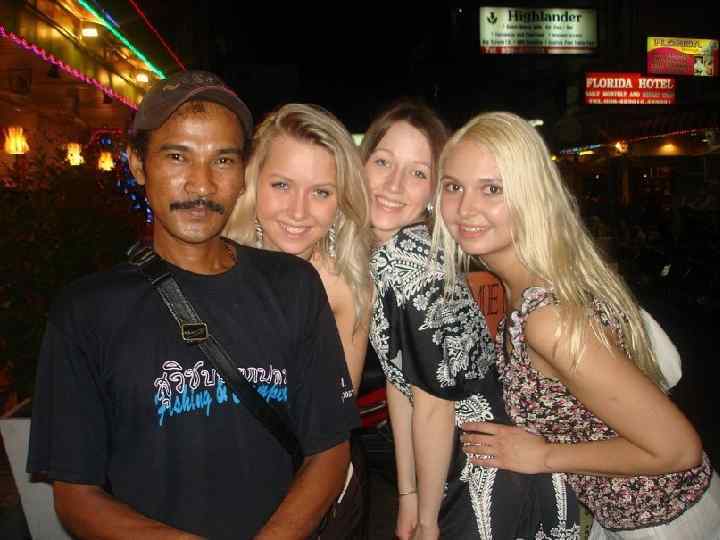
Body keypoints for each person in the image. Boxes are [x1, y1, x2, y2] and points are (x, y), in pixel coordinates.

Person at [26, 70, 359, 540]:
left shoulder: (294, 286)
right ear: (138, 164)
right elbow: (75, 494)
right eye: (177, 156)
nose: (201, 184)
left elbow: (330, 449)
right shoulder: (86, 311)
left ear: (242, 175)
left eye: (222, 160)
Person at [435, 111, 720, 538]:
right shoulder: (532, 284)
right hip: (624, 518)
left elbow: (678, 449)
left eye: (492, 189)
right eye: (453, 186)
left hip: (665, 524)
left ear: (533, 195)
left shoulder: (548, 317)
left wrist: (543, 455)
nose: (465, 208)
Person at [362, 100, 580, 539]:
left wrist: (426, 519)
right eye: (383, 162)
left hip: (481, 470)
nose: (393, 184)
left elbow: (434, 407)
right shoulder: (390, 252)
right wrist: (408, 494)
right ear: (361, 163)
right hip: (454, 463)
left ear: (433, 190)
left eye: (418, 172)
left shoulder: (412, 267)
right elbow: (400, 381)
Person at [224, 103, 373, 392]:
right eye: (282, 185)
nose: (298, 211)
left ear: (341, 200)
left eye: (320, 192)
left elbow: (338, 406)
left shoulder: (345, 288)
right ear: (253, 181)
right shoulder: (213, 263)